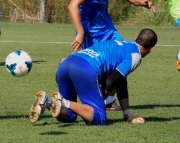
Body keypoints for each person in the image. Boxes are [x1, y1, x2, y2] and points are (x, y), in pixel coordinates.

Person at [67, 0, 155, 109]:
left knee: (122, 57)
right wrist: (80, 32)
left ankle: (107, 100)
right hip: (90, 29)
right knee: (96, 67)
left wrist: (142, 2)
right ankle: (95, 101)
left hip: (106, 27)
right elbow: (72, 6)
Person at [29, 29, 157, 125]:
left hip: (66, 63)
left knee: (69, 116)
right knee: (99, 118)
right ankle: (63, 101)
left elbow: (120, 80)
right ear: (151, 49)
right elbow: (110, 82)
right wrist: (101, 100)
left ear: (136, 38)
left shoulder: (121, 43)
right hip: (83, 69)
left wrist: (127, 113)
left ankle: (48, 102)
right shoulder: (136, 56)